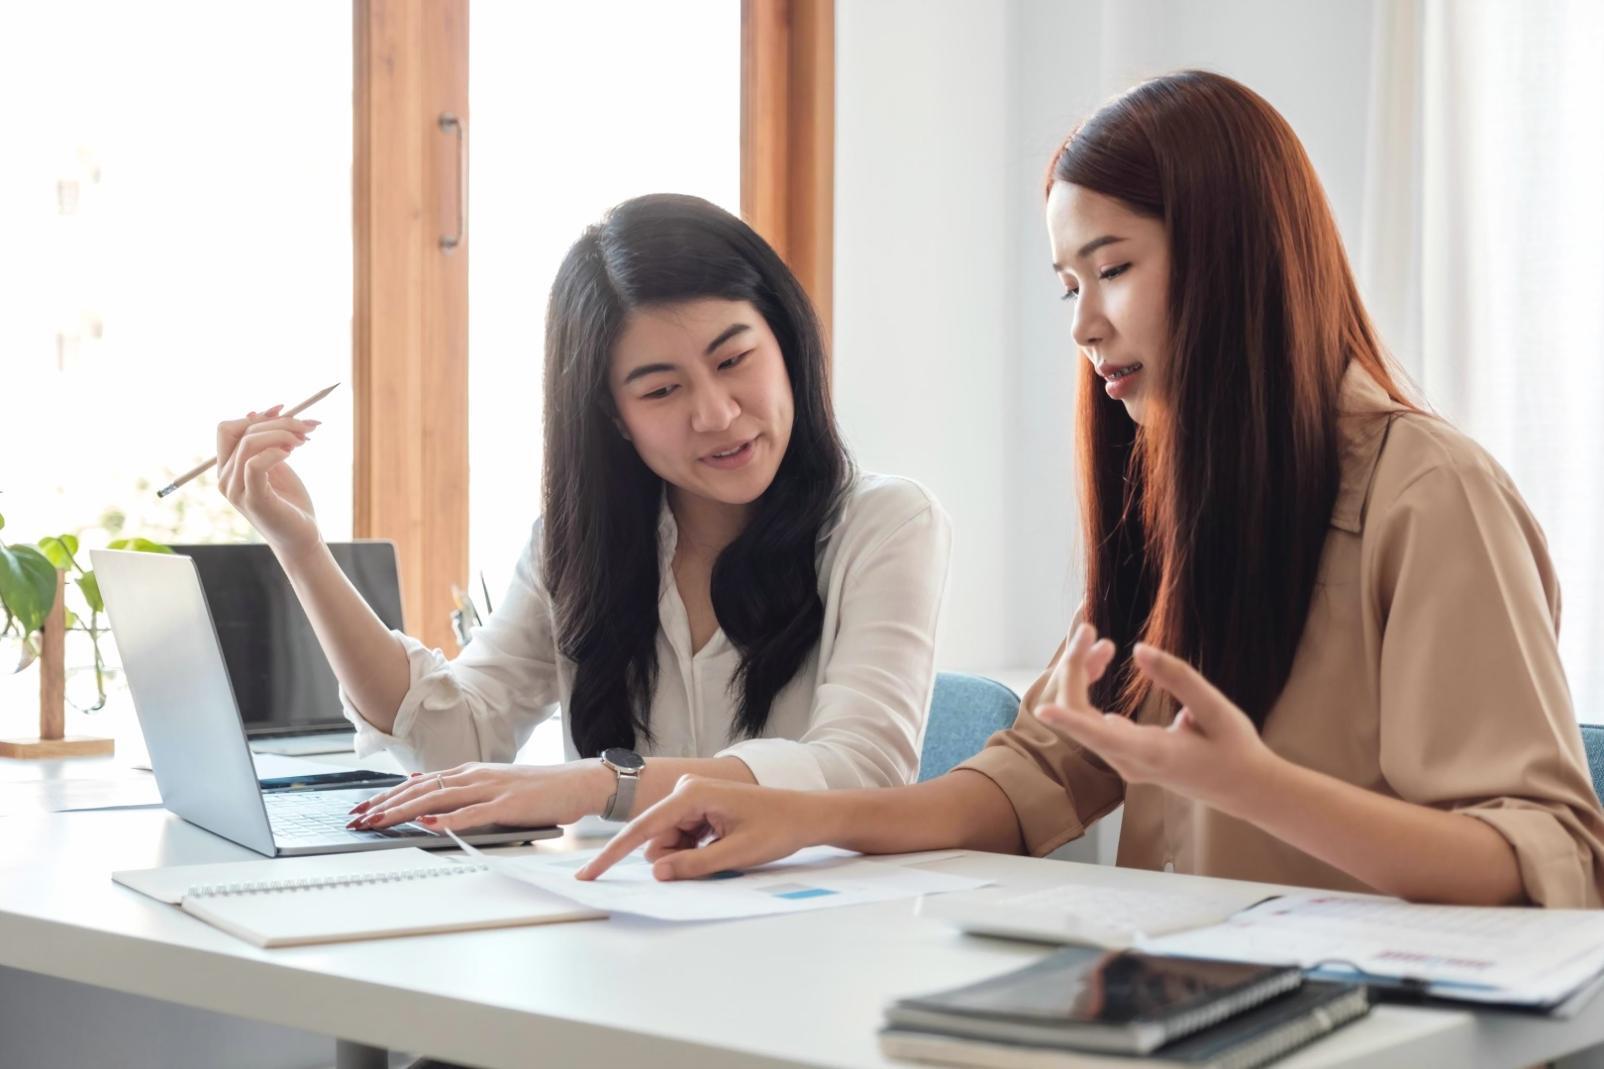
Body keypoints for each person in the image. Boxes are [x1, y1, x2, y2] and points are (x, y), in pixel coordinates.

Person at [578, 73, 1604, 908]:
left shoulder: (1427, 495)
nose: (1082, 327)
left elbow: (1536, 860)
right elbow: (1039, 773)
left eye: (1109, 269)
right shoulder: (1186, 493)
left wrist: (1250, 787)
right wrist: (806, 818)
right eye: (1067, 285)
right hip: (1187, 1001)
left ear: (1234, 255)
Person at [214, 193, 952, 831]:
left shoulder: (884, 525)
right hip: (621, 935)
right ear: (614, 416)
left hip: (819, 937)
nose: (718, 414)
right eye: (662, 390)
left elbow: (861, 771)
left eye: (734, 360)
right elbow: (455, 737)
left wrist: (600, 785)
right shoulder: (576, 550)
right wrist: (302, 550)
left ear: (785, 342)